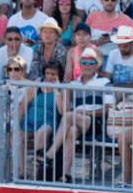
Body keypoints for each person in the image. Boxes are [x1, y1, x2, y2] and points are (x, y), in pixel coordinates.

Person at [46, 47, 114, 184]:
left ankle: (50, 154)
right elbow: (67, 109)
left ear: (97, 64)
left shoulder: (105, 82)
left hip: (97, 121)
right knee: (70, 131)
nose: (87, 65)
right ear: (80, 64)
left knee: (70, 117)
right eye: (84, 61)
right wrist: (57, 90)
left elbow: (109, 109)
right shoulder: (73, 84)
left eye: (91, 62)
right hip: (76, 120)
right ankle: (65, 175)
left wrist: (88, 112)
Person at [17, 61, 64, 178]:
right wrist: (16, 125)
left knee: (41, 133)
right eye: (47, 73)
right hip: (30, 121)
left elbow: (63, 111)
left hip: (49, 122)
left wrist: (57, 89)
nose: (50, 77)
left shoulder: (63, 87)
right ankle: (21, 172)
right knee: (17, 136)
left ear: (59, 75)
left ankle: (39, 172)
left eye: (54, 74)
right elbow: (23, 104)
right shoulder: (38, 83)